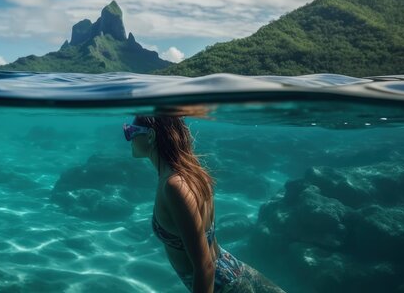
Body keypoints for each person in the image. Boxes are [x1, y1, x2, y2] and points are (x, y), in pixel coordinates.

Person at [123, 115, 286, 293]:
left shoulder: (174, 185)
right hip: (232, 268)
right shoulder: (190, 170)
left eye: (130, 131)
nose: (128, 137)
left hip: (221, 286)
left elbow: (204, 266)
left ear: (150, 136)